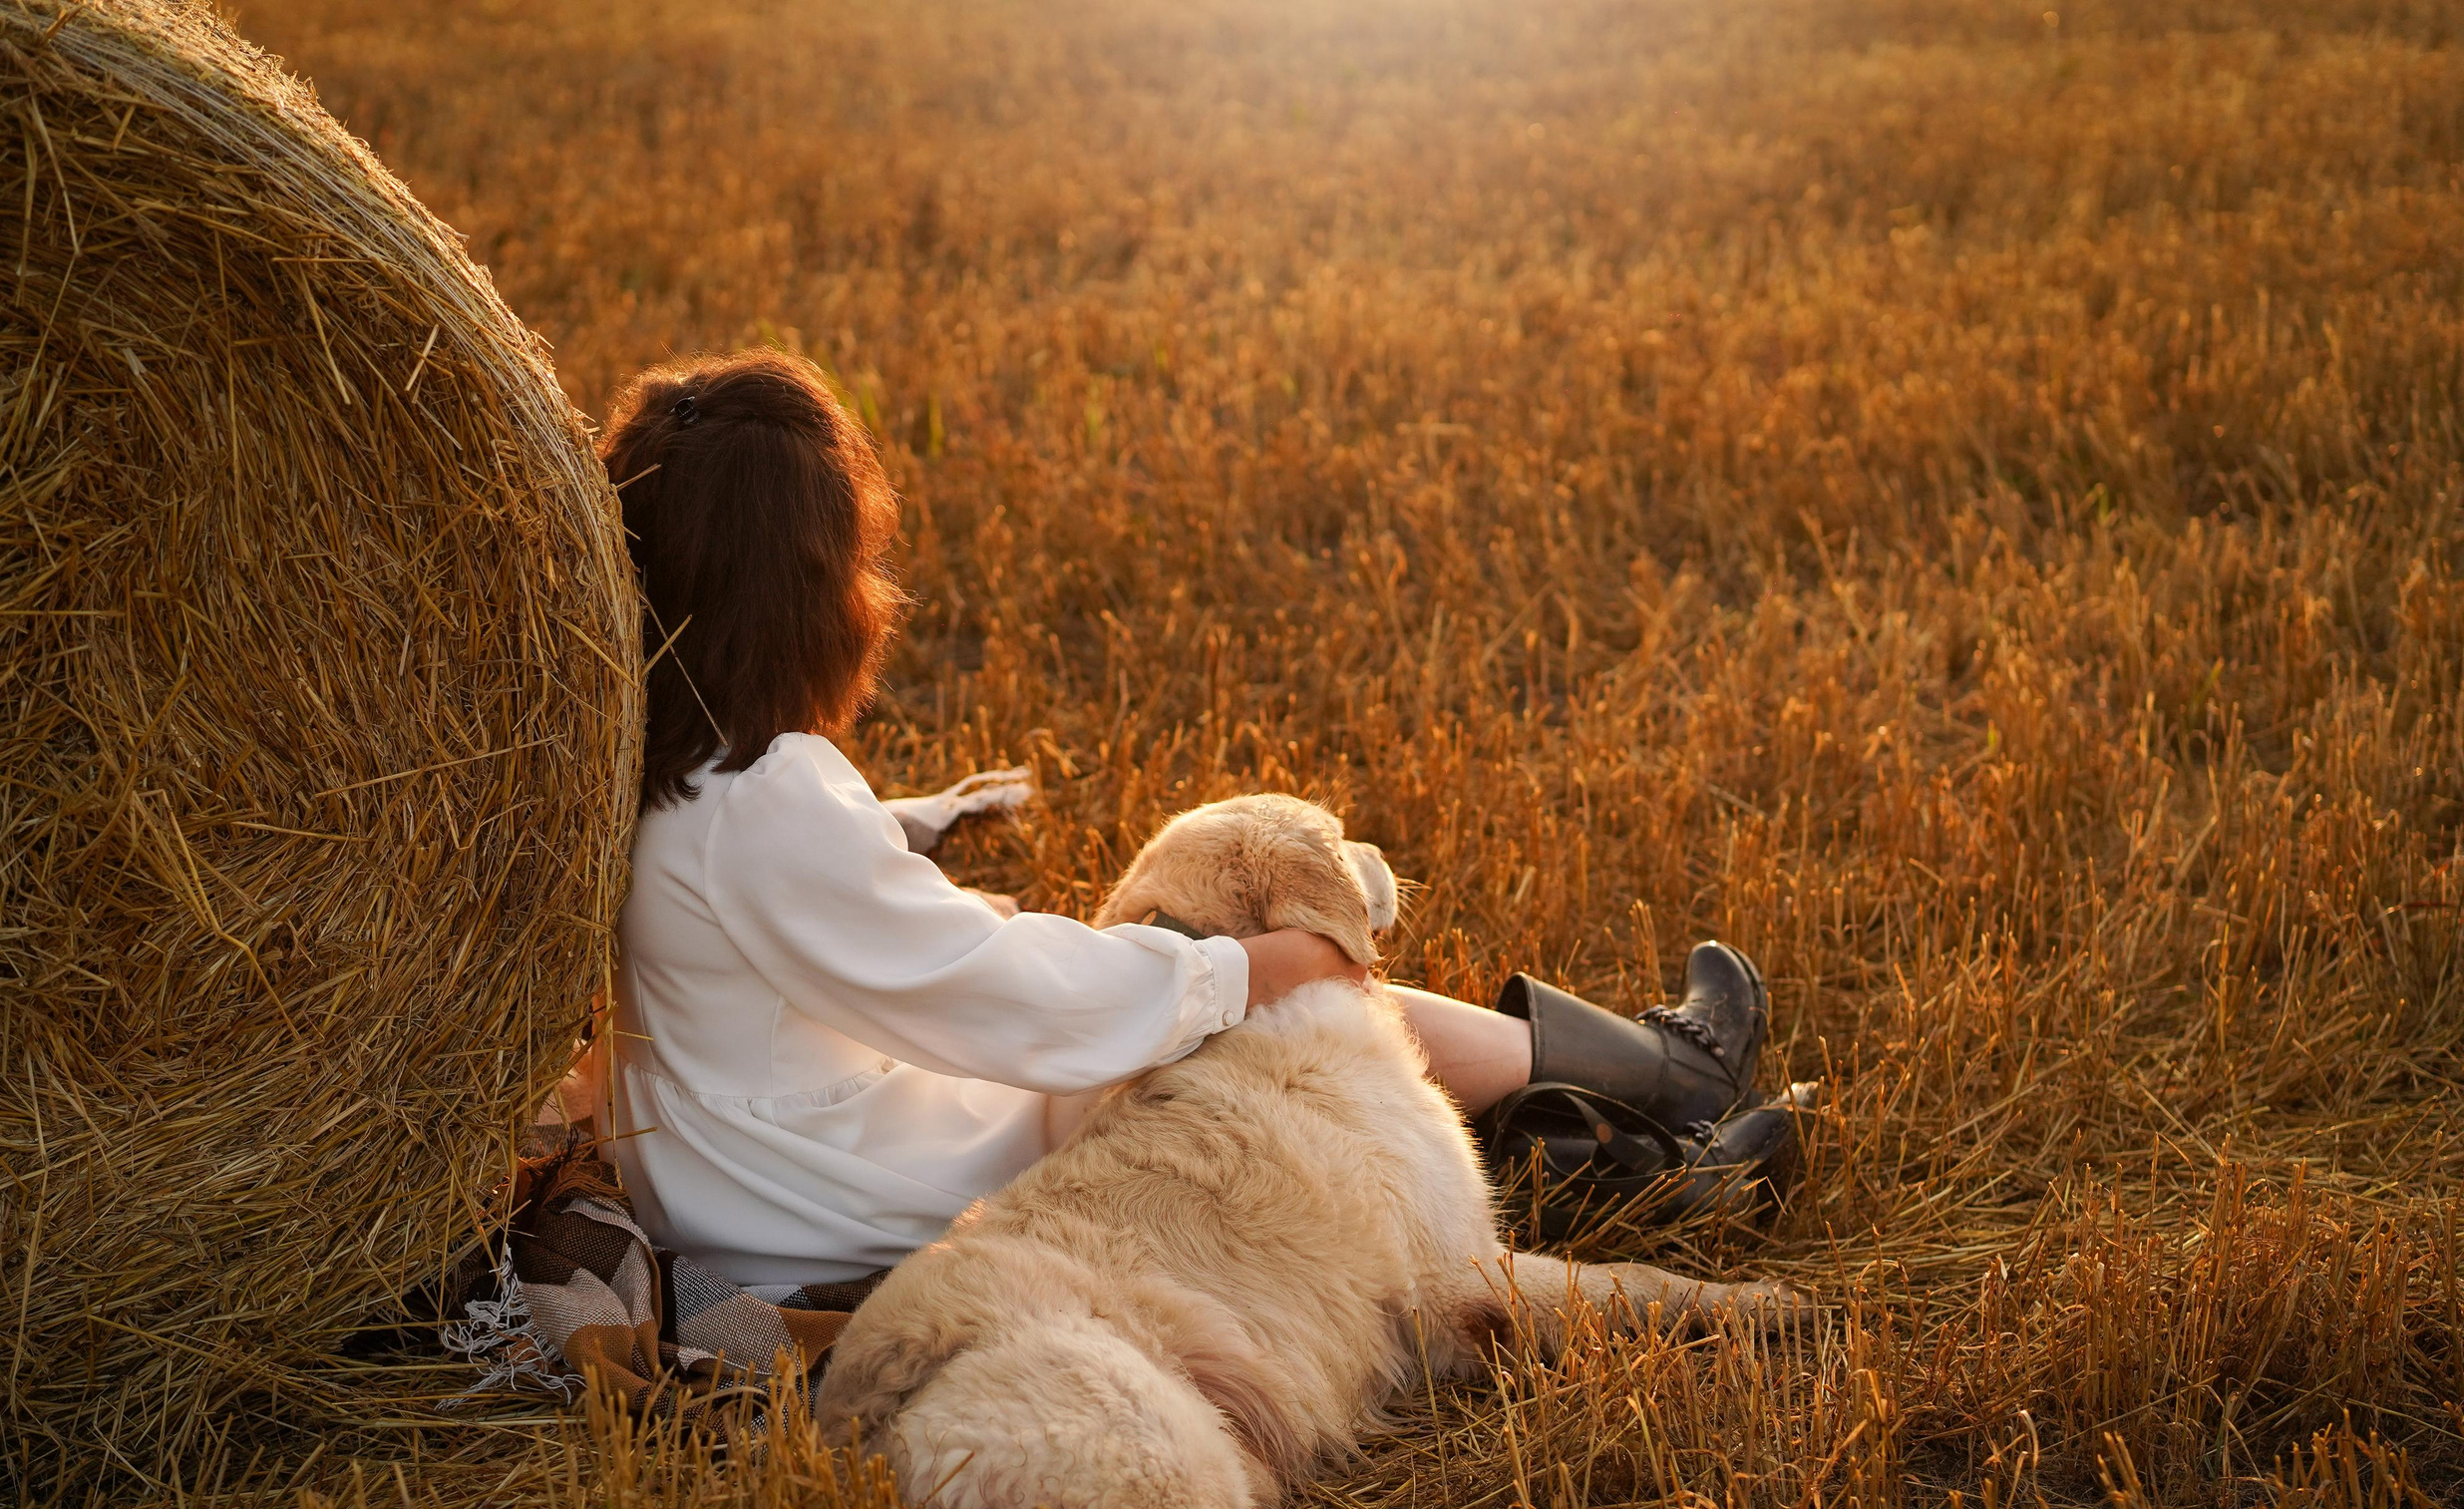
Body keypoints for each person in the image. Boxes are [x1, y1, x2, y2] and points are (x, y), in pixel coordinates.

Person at [589, 348, 1793, 1296]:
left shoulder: (650, 752)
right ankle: (1667, 1097)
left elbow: (837, 928)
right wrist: (1238, 971)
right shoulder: (767, 794)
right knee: (1297, 1008)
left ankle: (1625, 1147)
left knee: (1229, 1016)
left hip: (746, 1183)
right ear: (805, 584)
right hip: (847, 1198)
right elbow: (996, 995)